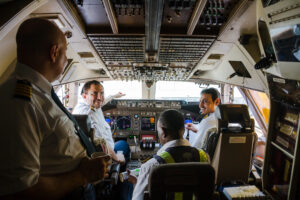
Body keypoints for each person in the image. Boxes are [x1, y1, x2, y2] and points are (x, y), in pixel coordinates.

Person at [0, 18, 109, 200]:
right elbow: (21, 190)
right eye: (65, 52)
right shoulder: (20, 101)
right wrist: (82, 176)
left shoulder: (42, 94)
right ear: (54, 52)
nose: (66, 59)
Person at [131, 109, 209, 200]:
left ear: (163, 132)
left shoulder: (151, 166)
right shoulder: (204, 157)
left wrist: (136, 183)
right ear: (183, 130)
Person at [73, 80, 129, 164]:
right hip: (105, 154)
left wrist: (113, 96)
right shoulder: (88, 115)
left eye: (102, 93)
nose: (99, 97)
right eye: (94, 93)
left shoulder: (90, 103)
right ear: (84, 96)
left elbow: (101, 101)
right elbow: (101, 144)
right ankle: (121, 172)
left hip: (102, 150)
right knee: (124, 144)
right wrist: (117, 158)